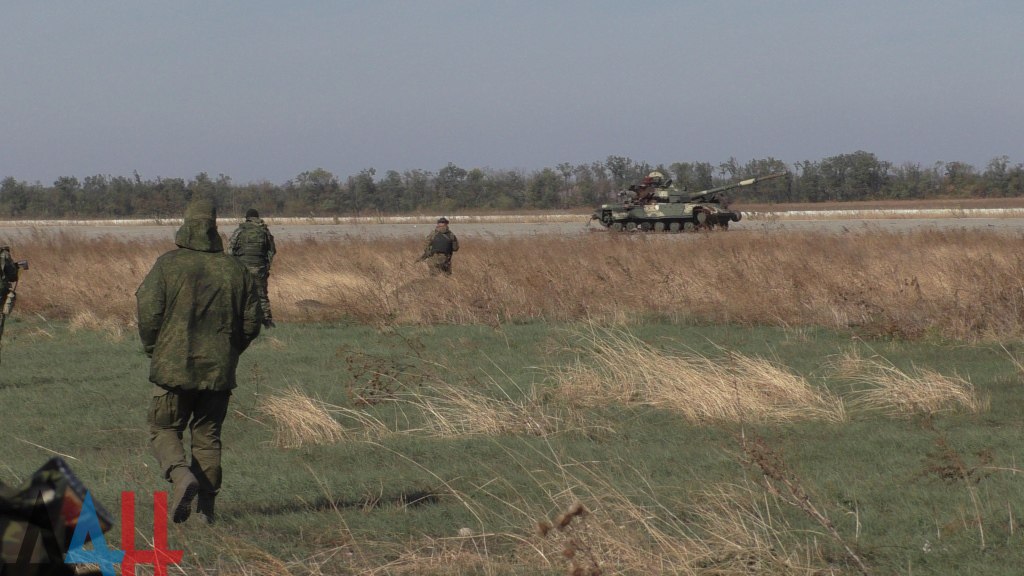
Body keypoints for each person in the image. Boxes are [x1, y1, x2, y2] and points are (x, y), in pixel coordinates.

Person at [136, 198, 262, 524]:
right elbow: (251, 323)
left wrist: (155, 348)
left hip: (172, 369)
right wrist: (229, 352)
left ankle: (180, 476)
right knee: (207, 439)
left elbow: (148, 311)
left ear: (185, 224)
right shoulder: (236, 270)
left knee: (164, 427)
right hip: (218, 372)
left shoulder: (167, 265)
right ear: (215, 227)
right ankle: (206, 513)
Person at [228, 208, 277, 328]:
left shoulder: (240, 230)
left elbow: (230, 250)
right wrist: (266, 265)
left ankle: (241, 320)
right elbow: (272, 250)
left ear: (247, 218)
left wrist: (235, 265)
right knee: (262, 294)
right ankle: (267, 321)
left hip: (242, 268)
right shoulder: (264, 231)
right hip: (259, 267)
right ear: (257, 217)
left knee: (241, 294)